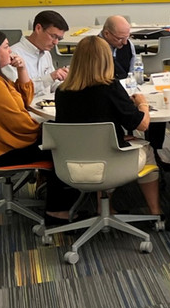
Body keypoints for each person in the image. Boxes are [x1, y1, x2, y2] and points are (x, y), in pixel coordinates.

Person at [0, 28, 75, 222]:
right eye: (7, 47)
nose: (11, 52)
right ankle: (57, 211)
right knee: (63, 146)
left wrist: (22, 69)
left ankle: (53, 194)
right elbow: (20, 126)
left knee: (57, 137)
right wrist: (48, 131)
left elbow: (23, 100)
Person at [54, 36, 161, 216]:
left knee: (108, 146)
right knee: (145, 148)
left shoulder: (62, 91)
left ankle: (104, 207)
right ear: (107, 59)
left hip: (69, 163)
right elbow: (142, 125)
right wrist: (142, 104)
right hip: (109, 164)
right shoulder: (110, 88)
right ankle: (156, 211)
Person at [3, 9, 69, 95]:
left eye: (59, 39)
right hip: (25, 107)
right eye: (53, 36)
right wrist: (51, 77)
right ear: (38, 28)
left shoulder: (46, 53)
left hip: (46, 106)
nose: (56, 42)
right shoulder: (13, 55)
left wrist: (69, 82)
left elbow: (53, 86)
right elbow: (17, 92)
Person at [100, 15, 135, 80]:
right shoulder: (93, 49)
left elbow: (132, 74)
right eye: (120, 38)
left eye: (127, 37)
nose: (125, 42)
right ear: (106, 34)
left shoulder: (129, 45)